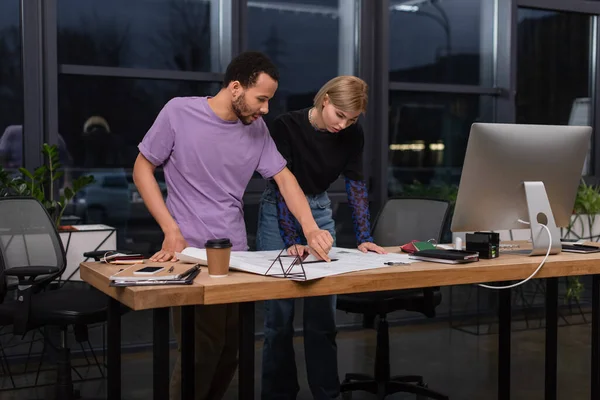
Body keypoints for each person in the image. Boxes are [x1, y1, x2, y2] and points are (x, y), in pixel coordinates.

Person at [132, 51, 334, 400]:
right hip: (191, 254)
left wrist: (311, 227)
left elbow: (286, 181)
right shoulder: (179, 112)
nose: (266, 109)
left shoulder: (256, 130)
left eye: (269, 100)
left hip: (235, 256)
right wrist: (170, 228)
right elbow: (142, 169)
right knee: (202, 350)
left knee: (231, 352)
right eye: (262, 99)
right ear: (237, 87)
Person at [257, 76, 386, 400]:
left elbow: (356, 185)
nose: (344, 124)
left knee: (322, 319)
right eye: (340, 115)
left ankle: (327, 394)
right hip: (278, 211)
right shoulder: (286, 126)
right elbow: (282, 186)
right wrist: (290, 240)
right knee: (279, 320)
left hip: (320, 210)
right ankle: (279, 394)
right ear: (325, 100)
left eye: (352, 119)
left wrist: (364, 237)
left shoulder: (352, 134)